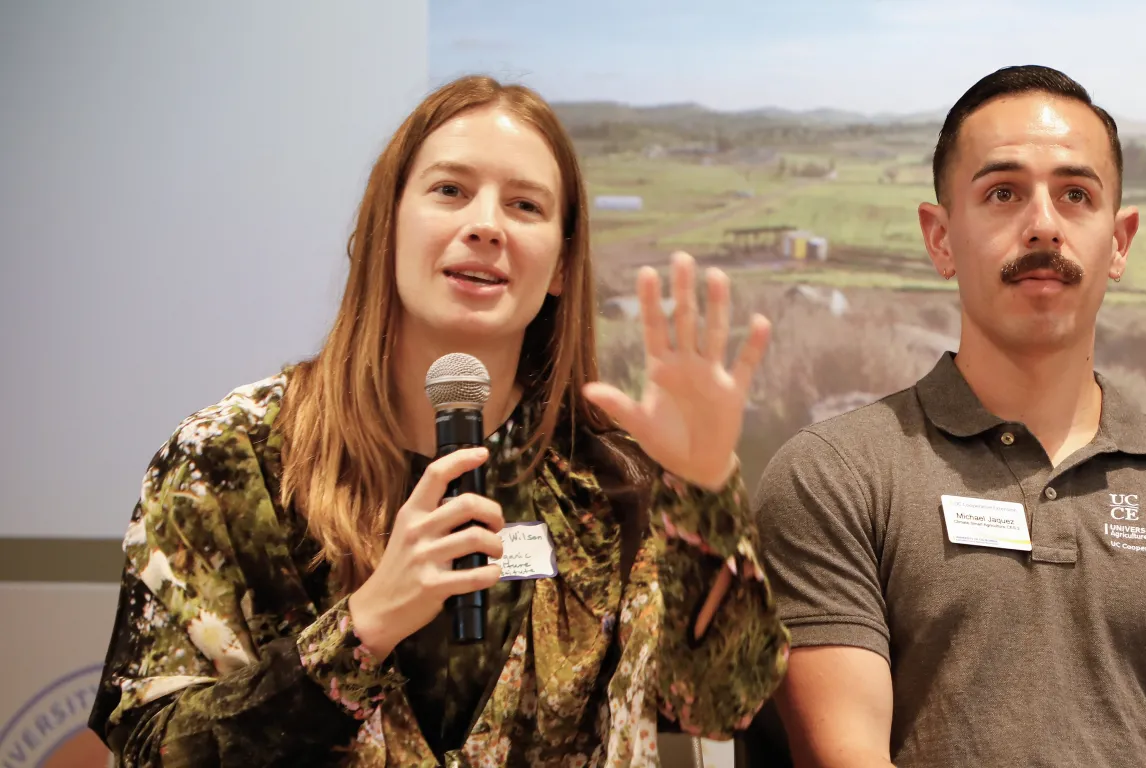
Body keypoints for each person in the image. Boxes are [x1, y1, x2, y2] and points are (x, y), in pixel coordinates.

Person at [86, 75, 788, 766]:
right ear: (386, 223)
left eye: (525, 205)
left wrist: (707, 491)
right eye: (450, 190)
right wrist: (362, 630)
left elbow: (720, 705)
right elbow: (149, 748)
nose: (484, 224)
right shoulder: (226, 458)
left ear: (563, 266)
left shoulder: (614, 476)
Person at [753, 65, 1146, 768]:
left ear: (1121, 241)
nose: (1044, 224)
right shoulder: (834, 475)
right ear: (940, 238)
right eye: (1003, 193)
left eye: (1076, 194)